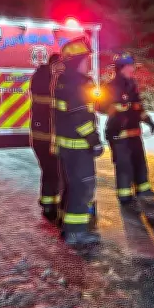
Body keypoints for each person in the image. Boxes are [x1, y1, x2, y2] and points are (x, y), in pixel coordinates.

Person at [51, 38, 104, 247]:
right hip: (79, 146)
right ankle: (75, 233)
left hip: (66, 146)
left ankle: (68, 226)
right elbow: (80, 116)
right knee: (83, 187)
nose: (88, 62)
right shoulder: (79, 82)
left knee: (72, 186)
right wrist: (94, 141)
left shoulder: (62, 80)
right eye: (85, 58)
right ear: (76, 61)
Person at [102, 52, 154, 208]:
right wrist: (119, 108)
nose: (133, 68)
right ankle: (124, 196)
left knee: (139, 162)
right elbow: (102, 107)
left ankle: (143, 190)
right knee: (124, 165)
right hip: (119, 134)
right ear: (122, 68)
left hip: (134, 132)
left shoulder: (132, 84)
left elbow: (138, 106)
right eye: (130, 66)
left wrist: (148, 120)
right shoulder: (111, 86)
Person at [29, 53, 63, 223]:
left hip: (40, 136)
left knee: (51, 172)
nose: (62, 69)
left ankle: (49, 204)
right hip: (47, 137)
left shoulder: (40, 77)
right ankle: (50, 207)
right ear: (53, 65)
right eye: (59, 65)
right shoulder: (47, 80)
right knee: (52, 171)